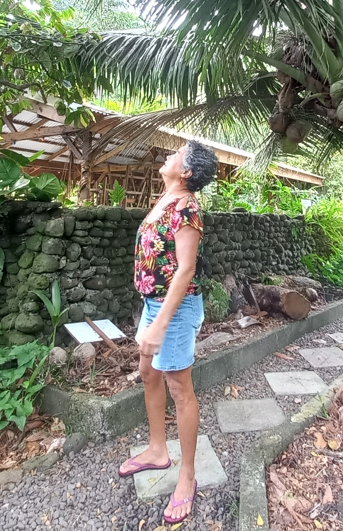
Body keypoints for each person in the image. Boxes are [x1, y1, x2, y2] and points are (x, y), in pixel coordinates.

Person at [118, 140, 218, 524]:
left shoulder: (187, 208)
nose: (168, 156)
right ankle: (158, 450)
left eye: (175, 154)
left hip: (173, 311)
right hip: (154, 305)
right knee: (148, 374)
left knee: (179, 387)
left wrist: (159, 325)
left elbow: (186, 270)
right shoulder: (166, 200)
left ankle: (187, 477)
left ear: (187, 172)